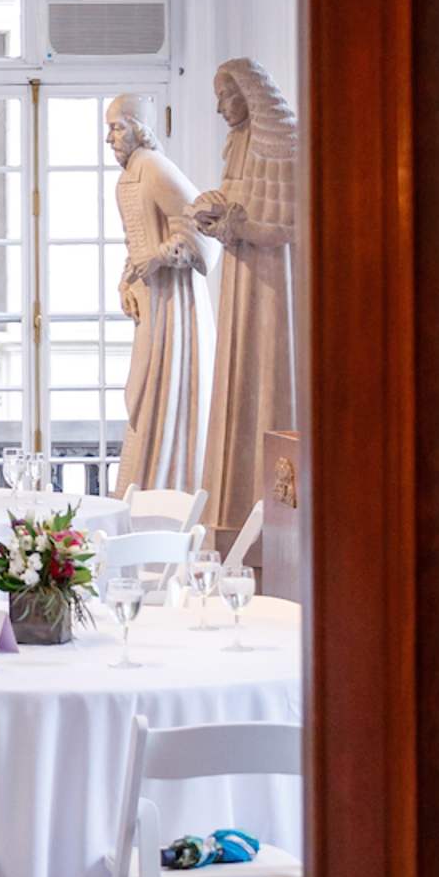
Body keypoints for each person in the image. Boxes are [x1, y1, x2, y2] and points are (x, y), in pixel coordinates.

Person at [185, 59, 299, 543]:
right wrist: (213, 214)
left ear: (249, 96)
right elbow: (238, 204)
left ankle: (263, 521)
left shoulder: (281, 146)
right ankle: (230, 512)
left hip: (272, 287)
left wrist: (235, 226)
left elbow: (285, 226)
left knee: (267, 387)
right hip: (241, 281)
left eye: (225, 96)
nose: (217, 107)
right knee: (236, 384)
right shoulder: (235, 142)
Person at [105, 93, 205, 496]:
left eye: (115, 127)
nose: (108, 138)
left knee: (161, 388)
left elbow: (201, 232)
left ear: (138, 128)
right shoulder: (129, 176)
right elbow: (135, 245)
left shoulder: (156, 168)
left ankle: (161, 487)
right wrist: (126, 282)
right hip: (150, 302)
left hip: (172, 306)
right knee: (142, 392)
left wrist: (161, 257)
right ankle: (140, 484)